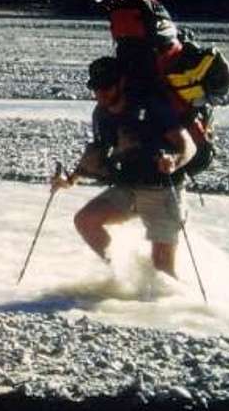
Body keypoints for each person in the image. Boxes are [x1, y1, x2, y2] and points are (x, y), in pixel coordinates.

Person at [51, 56, 197, 278]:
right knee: (86, 221)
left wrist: (174, 161)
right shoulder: (101, 113)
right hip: (128, 188)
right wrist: (70, 180)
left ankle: (175, 301)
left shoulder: (151, 106)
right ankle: (128, 274)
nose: (101, 94)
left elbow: (189, 146)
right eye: (96, 88)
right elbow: (96, 153)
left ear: (121, 83)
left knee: (163, 271)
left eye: (107, 88)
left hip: (164, 191)